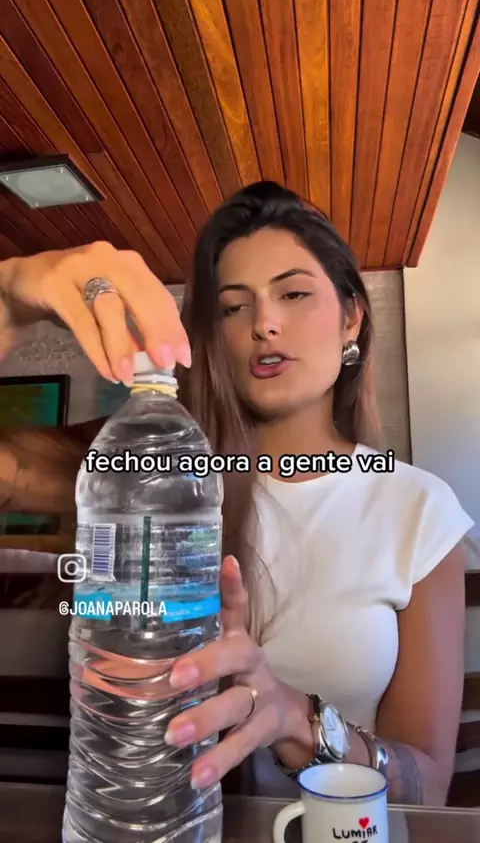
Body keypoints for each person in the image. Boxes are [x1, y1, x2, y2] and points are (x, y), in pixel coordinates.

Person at [0, 181, 473, 806]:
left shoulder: (418, 509)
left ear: (352, 317)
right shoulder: (144, 471)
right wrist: (10, 296)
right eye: (232, 307)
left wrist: (292, 718)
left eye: (294, 293)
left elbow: (428, 786)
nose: (263, 324)